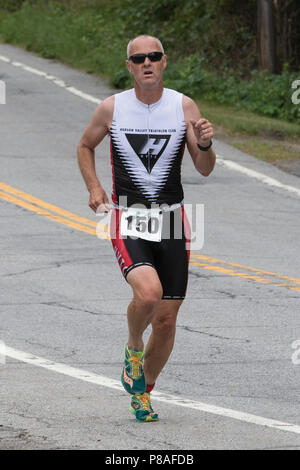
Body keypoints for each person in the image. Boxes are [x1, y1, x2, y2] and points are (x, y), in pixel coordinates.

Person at [77, 35, 216, 422]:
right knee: (150, 295)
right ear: (129, 66)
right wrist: (94, 186)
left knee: (168, 321)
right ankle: (133, 346)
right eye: (139, 59)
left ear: (164, 61)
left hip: (172, 220)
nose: (147, 63)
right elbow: (84, 146)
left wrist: (204, 145)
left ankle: (144, 390)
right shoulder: (113, 108)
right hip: (130, 217)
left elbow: (204, 168)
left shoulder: (183, 106)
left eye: (154, 57)